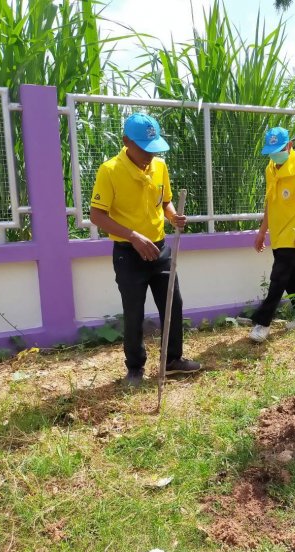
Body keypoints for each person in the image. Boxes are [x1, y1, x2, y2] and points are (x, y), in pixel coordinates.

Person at [90, 112, 201, 386]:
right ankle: (135, 368)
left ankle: (173, 360)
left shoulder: (159, 166)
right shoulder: (110, 170)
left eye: (154, 149)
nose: (149, 155)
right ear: (126, 141)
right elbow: (97, 215)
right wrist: (134, 237)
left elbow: (164, 203)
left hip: (161, 250)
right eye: (143, 149)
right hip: (129, 253)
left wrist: (173, 217)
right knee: (134, 312)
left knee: (173, 304)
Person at [248, 126, 295, 342]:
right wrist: (262, 232)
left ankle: (262, 323)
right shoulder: (271, 168)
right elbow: (270, 202)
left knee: (278, 277)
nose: (275, 155)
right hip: (278, 235)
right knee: (290, 275)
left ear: (289, 146)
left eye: (279, 149)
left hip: (294, 234)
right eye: (272, 151)